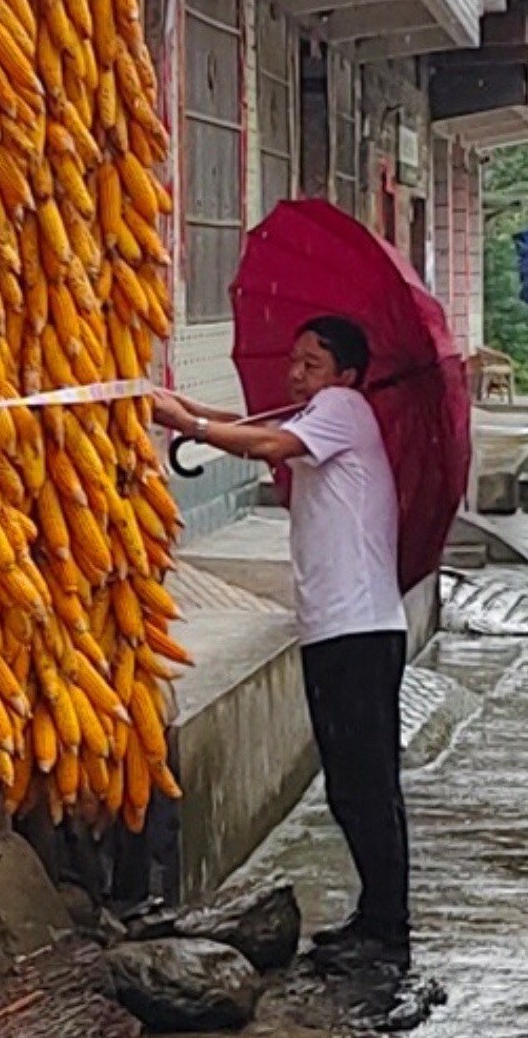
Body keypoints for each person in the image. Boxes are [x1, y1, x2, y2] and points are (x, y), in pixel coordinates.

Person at [154, 316, 420, 983]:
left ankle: (388, 931)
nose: (296, 374)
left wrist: (188, 425)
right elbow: (252, 424)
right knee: (355, 785)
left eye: (312, 364)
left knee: (364, 786)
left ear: (348, 376)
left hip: (356, 629)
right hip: (344, 627)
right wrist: (180, 408)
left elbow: (262, 440)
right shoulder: (324, 414)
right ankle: (375, 918)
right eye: (295, 361)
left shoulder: (342, 410)